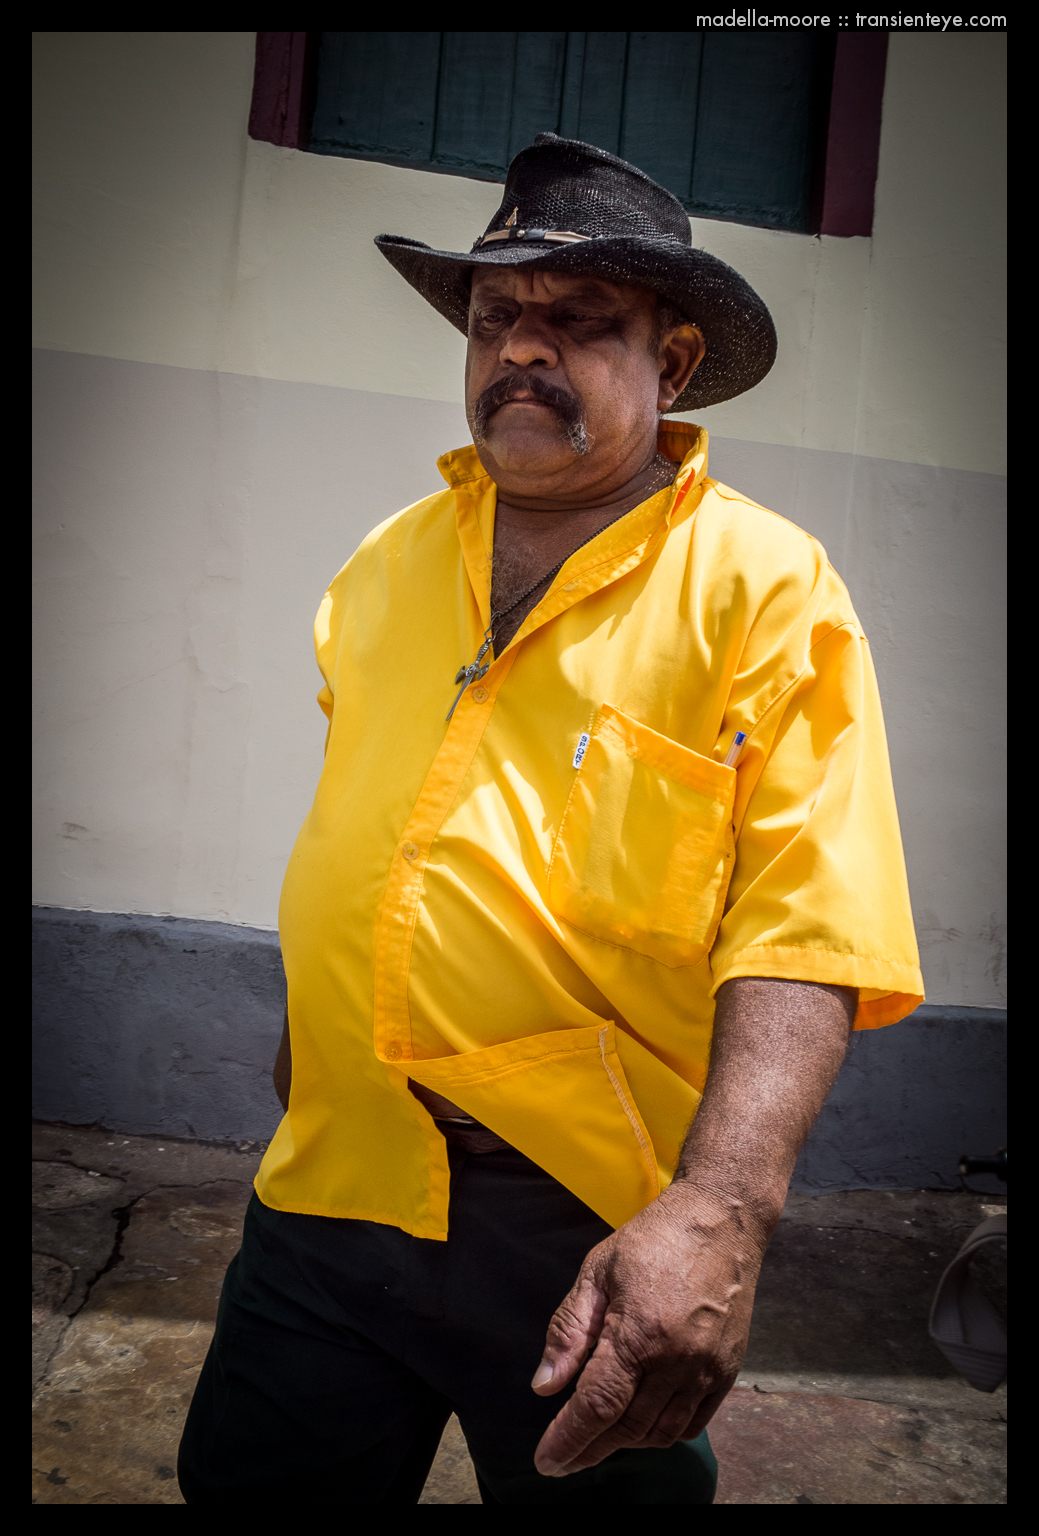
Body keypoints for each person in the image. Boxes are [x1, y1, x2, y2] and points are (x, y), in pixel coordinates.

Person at [178, 133, 924, 1505]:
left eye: (577, 320)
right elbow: (372, 828)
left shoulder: (765, 590)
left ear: (673, 365)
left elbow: (808, 928)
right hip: (335, 1179)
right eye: (494, 318)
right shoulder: (386, 565)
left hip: (586, 1229)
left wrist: (718, 1215)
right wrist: (316, 1040)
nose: (522, 348)